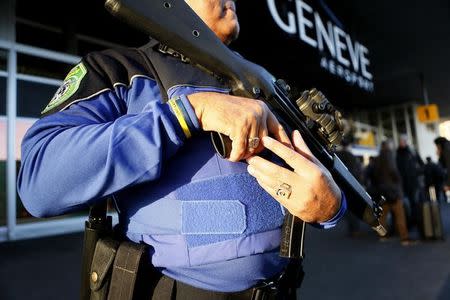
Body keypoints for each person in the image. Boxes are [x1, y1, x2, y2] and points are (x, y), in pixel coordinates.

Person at [17, 1, 345, 298]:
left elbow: (314, 190)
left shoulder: (263, 86)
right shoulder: (122, 70)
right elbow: (39, 182)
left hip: (282, 288)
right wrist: (187, 112)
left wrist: (332, 207)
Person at [368, 140, 415, 246]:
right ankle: (404, 238)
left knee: (383, 216)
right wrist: (399, 182)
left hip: (382, 191)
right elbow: (394, 171)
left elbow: (374, 174)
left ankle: (382, 236)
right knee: (400, 215)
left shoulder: (377, 158)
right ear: (388, 146)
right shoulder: (390, 156)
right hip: (393, 191)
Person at [336, 137, 364, 237]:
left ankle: (352, 228)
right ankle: (355, 229)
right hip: (352, 186)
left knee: (347, 207)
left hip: (340, 186)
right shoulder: (351, 156)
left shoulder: (336, 155)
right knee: (354, 207)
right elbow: (357, 172)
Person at [396, 135, 424, 228]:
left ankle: (415, 221)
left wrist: (416, 173)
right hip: (402, 183)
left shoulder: (412, 152)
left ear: (406, 142)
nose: (401, 142)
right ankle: (408, 222)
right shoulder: (397, 153)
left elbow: (421, 164)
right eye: (400, 141)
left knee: (414, 202)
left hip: (413, 183)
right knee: (404, 204)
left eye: (403, 141)